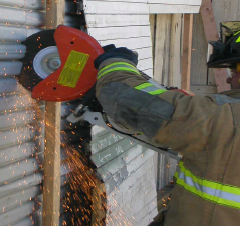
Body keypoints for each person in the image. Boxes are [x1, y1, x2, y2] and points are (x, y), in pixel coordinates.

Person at [94, 23, 240, 226]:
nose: (232, 79)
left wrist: (115, 63)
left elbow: (120, 95)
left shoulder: (223, 116)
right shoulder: (219, 116)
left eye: (236, 69)